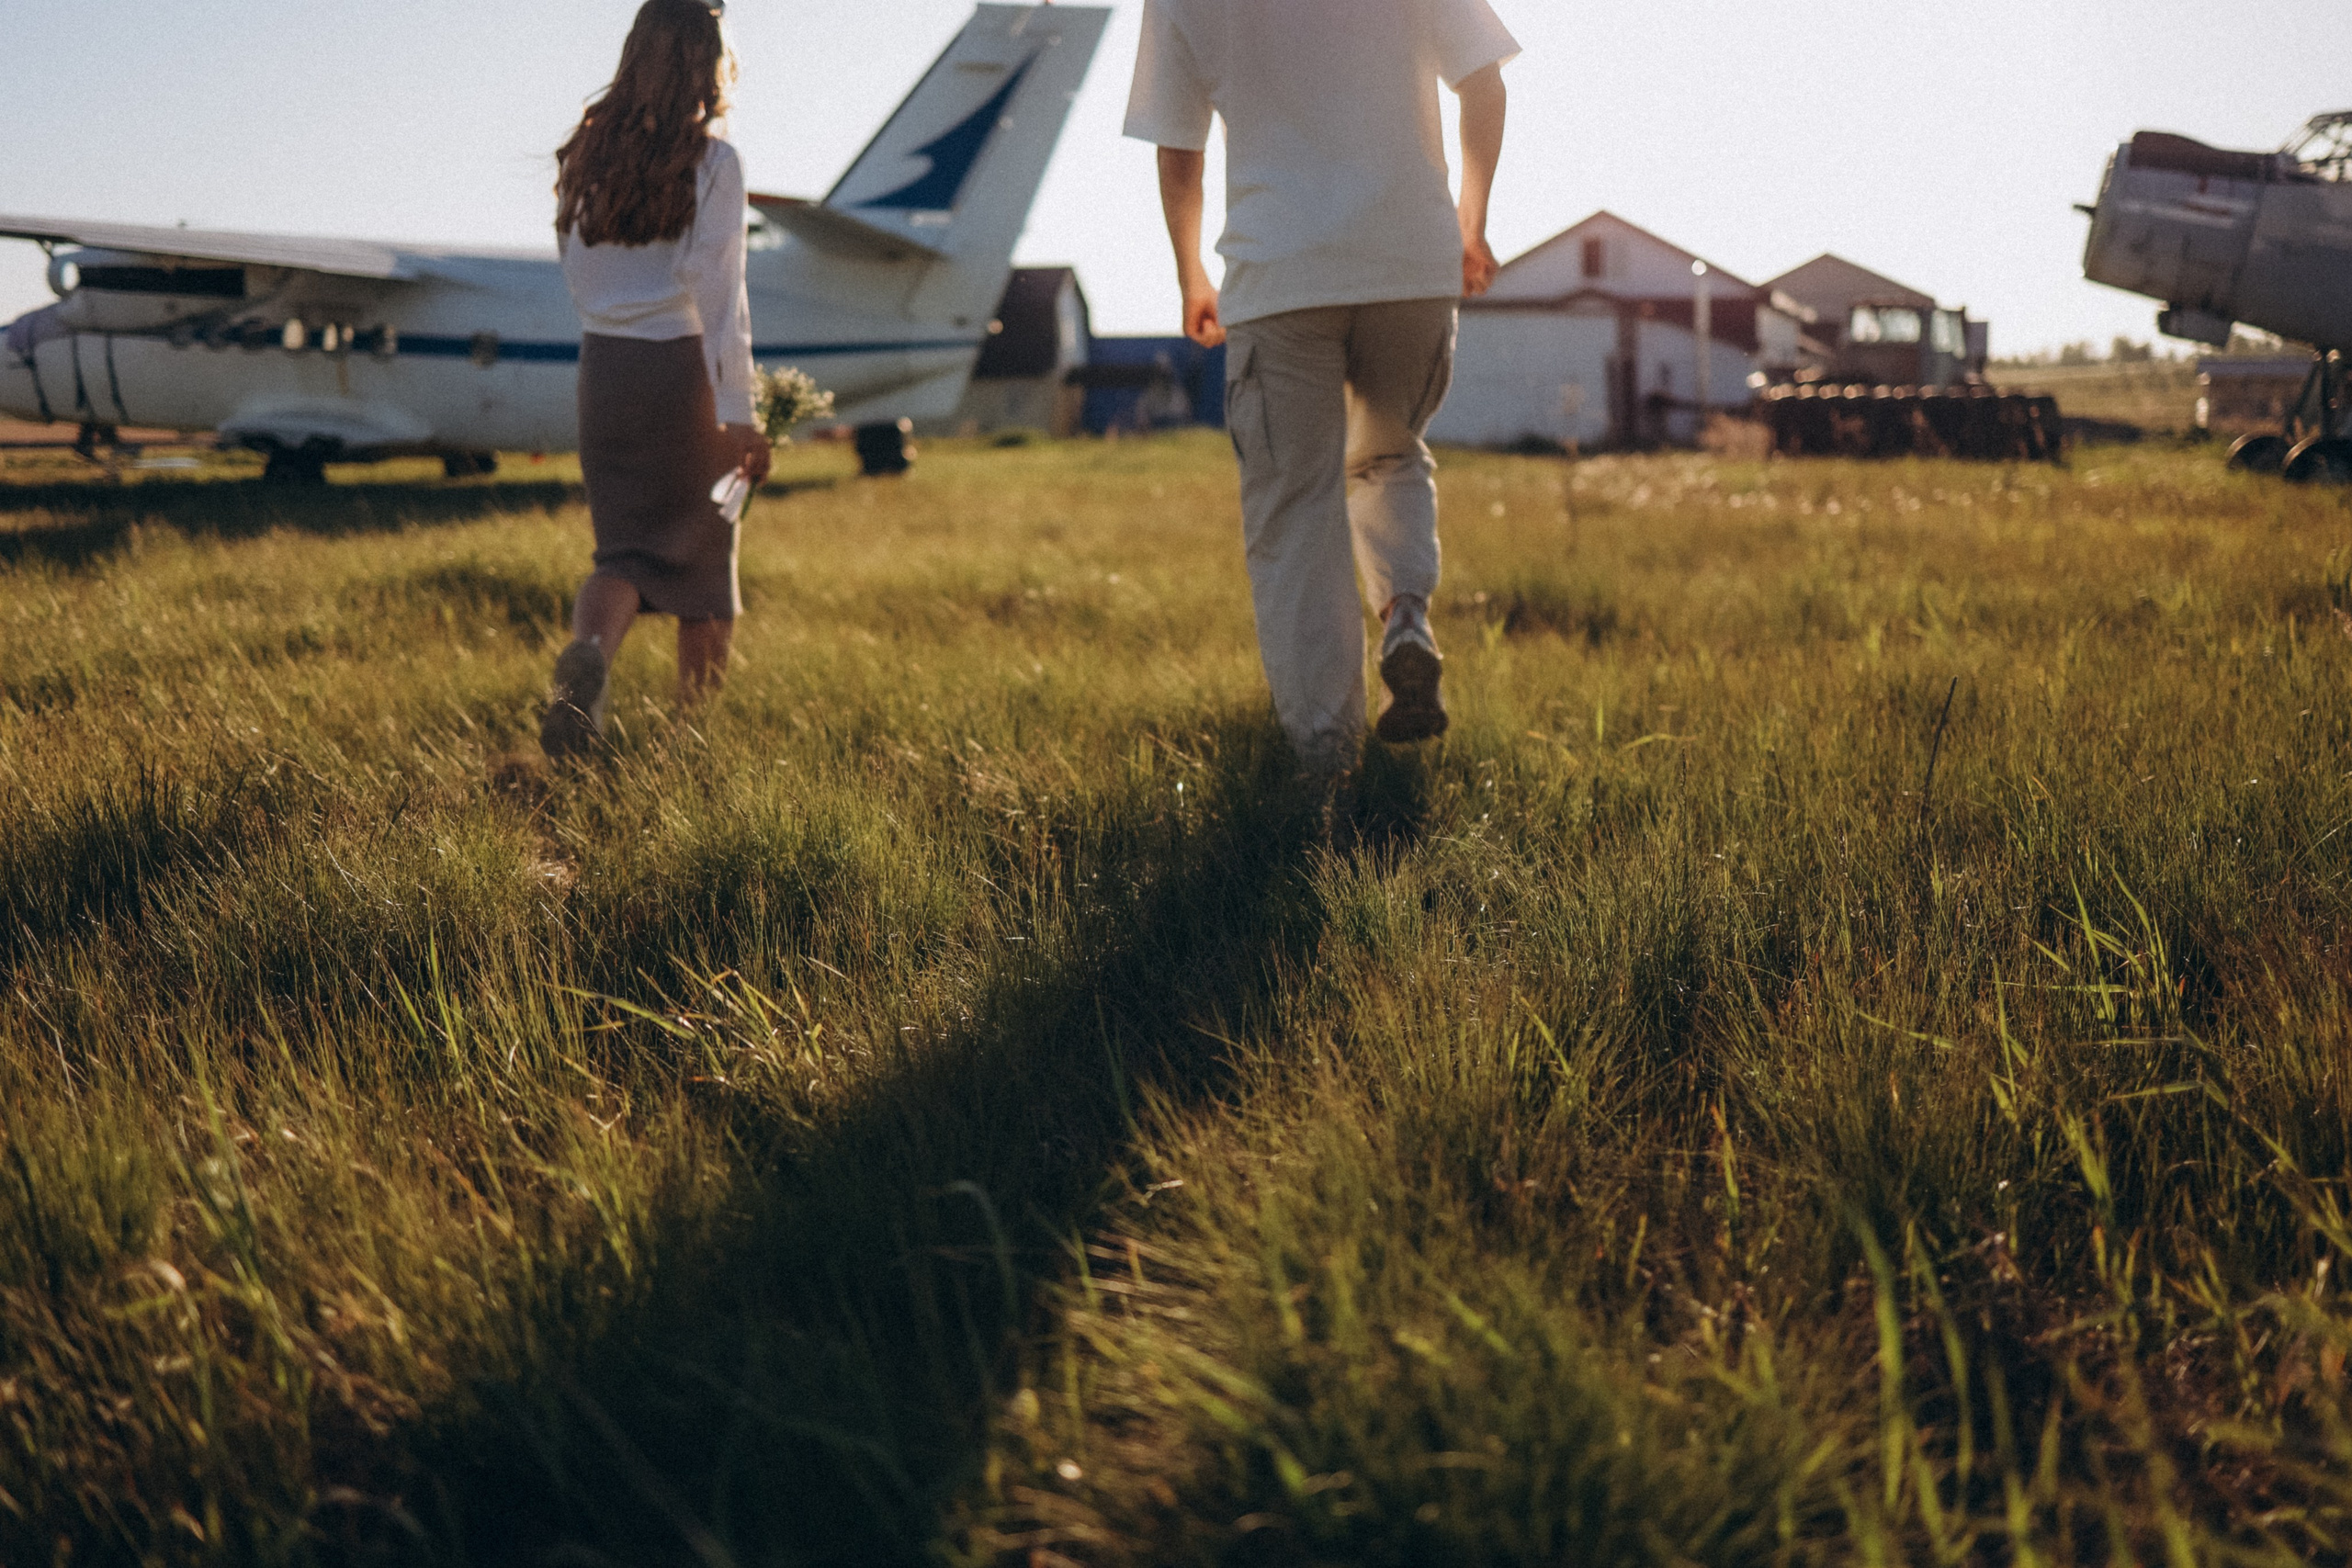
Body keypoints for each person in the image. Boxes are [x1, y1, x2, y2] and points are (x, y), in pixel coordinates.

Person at [1126, 0, 1515, 790]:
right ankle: (1405, 613)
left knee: (1296, 509)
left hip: (1280, 274)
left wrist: (1190, 273)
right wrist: (1470, 224)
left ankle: (1326, 760)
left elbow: (1179, 144)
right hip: (1411, 259)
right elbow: (1484, 83)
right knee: (1392, 453)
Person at [542, 0, 771, 760]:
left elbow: (578, 272)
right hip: (682, 374)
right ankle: (690, 742)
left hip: (602, 373)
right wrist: (740, 411)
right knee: (704, 572)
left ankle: (592, 662)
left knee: (623, 556)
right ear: (709, 65)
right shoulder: (714, 163)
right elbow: (720, 292)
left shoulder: (582, 155)